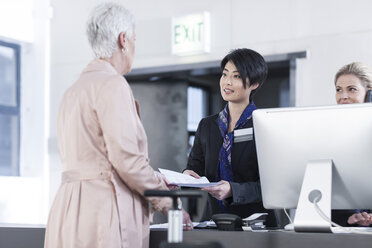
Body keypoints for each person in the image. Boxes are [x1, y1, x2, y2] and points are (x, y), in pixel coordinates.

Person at [44, 3, 192, 248]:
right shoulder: (113, 84)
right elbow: (127, 162)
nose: (134, 45)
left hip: (69, 211)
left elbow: (97, 157)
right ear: (123, 40)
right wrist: (169, 202)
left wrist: (154, 178)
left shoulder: (72, 91)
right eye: (134, 39)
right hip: (103, 212)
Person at [183, 48, 277, 227]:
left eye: (236, 76)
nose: (227, 82)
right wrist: (187, 176)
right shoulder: (207, 126)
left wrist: (233, 190)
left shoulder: (265, 124)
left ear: (254, 83)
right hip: (214, 221)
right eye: (225, 74)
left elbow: (273, 186)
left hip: (257, 226)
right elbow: (194, 168)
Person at [332, 62, 372, 227]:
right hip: (347, 230)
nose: (343, 96)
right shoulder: (331, 132)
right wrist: (350, 218)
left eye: (352, 89)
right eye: (339, 90)